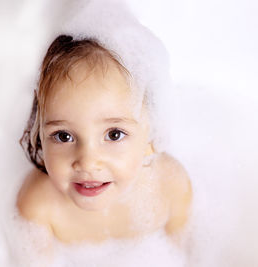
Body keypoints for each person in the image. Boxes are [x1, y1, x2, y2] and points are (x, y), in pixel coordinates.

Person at [16, 1, 192, 246]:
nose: (87, 161)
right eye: (63, 136)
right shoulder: (38, 205)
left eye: (114, 134)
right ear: (38, 133)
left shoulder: (169, 185)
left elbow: (189, 252)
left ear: (150, 134)